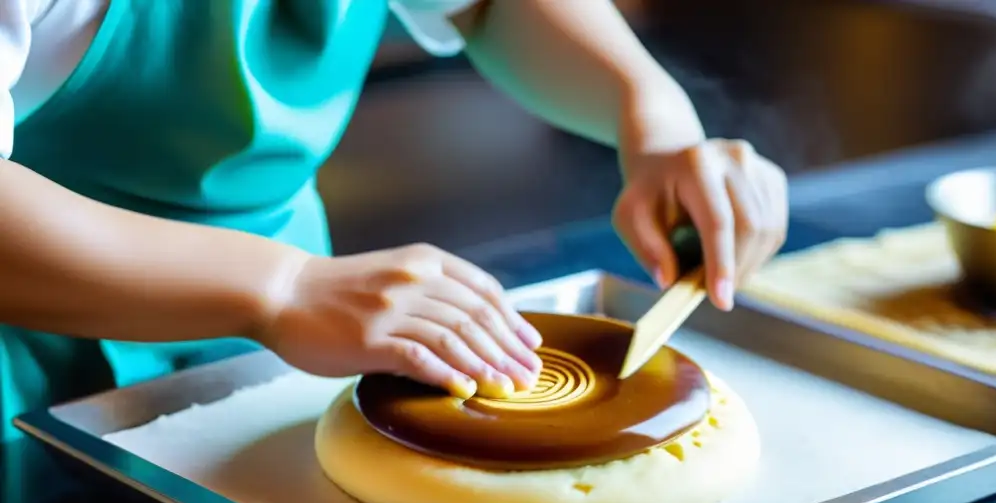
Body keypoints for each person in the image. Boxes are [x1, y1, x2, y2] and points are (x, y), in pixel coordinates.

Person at [0, 0, 789, 443]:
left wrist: (649, 115)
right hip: (35, 358)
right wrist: (279, 288)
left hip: (285, 353)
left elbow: (486, 8)